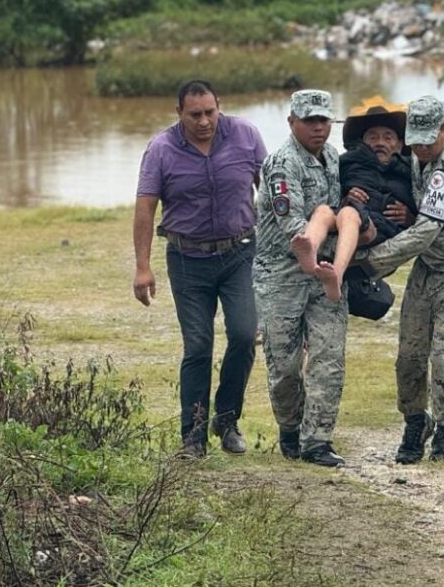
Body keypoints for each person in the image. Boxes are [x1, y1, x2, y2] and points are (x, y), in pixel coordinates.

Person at [354, 96, 444, 464]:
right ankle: (416, 422)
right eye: (414, 139)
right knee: (409, 357)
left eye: (428, 140)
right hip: (430, 268)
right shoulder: (414, 159)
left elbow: (424, 233)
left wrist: (368, 264)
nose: (420, 147)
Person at [133, 79, 266, 458]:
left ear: (219, 106)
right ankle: (192, 435)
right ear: (179, 114)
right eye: (195, 115)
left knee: (243, 335)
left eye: (210, 112)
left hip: (240, 253)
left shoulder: (245, 135)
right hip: (187, 260)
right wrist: (143, 267)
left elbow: (271, 192)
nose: (205, 121)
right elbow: (145, 208)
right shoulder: (160, 149)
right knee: (199, 346)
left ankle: (227, 420)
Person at [255, 89, 352, 467]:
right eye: (310, 120)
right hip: (281, 275)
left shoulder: (332, 158)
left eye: (324, 120)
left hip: (324, 274)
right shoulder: (281, 163)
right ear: (291, 121)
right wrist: (336, 226)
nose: (317, 127)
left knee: (329, 355)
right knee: (284, 365)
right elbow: (291, 224)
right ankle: (290, 429)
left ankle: (318, 440)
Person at [290, 96, 416, 301]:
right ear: (362, 142)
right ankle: (308, 249)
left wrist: (410, 217)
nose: (380, 143)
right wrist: (343, 198)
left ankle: (336, 275)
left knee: (349, 214)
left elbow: (427, 214)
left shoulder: (410, 172)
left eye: (388, 137)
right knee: (323, 210)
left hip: (378, 228)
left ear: (400, 144)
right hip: (346, 217)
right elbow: (326, 190)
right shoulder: (346, 164)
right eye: (373, 137)